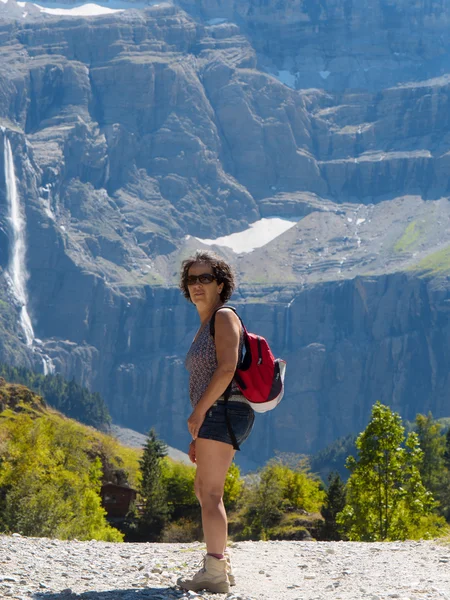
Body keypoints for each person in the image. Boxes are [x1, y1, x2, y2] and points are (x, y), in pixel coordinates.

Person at [177, 250, 255, 594]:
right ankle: (220, 564)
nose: (197, 285)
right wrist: (200, 430)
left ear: (221, 285)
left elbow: (226, 369)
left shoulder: (224, 317)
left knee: (210, 493)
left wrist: (199, 413)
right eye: (191, 279)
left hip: (224, 409)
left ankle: (214, 573)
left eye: (205, 278)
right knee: (203, 489)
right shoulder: (206, 324)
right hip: (219, 412)